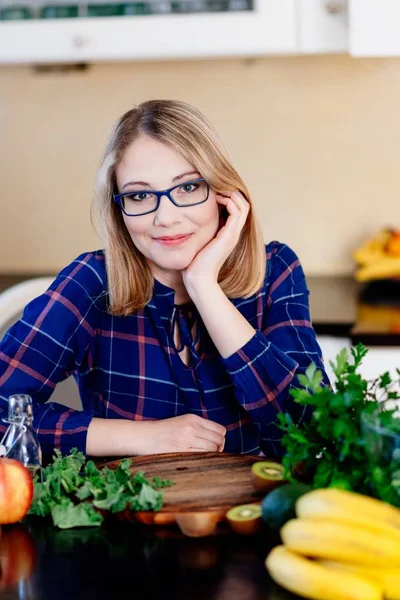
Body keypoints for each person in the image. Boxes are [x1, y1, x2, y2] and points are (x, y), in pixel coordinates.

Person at [0, 100, 329, 459]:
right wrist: (142, 438)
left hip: (250, 513)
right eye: (140, 195)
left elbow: (310, 434)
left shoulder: (276, 270)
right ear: (118, 209)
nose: (165, 217)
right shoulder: (93, 282)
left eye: (188, 188)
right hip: (129, 512)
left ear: (224, 194)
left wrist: (204, 286)